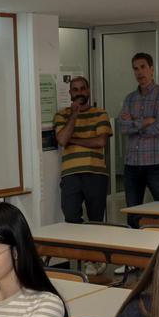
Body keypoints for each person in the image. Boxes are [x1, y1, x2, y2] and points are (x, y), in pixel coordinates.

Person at [117, 52, 159, 226]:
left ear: (152, 69)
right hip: (132, 166)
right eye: (135, 68)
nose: (139, 72)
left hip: (157, 165)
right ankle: (134, 249)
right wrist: (145, 122)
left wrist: (133, 124)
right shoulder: (130, 98)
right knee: (133, 214)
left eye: (142, 67)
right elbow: (122, 127)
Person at [54, 76, 113, 226]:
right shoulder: (61, 115)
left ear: (88, 91)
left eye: (82, 89)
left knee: (96, 221)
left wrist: (73, 140)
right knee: (71, 217)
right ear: (70, 93)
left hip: (96, 173)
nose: (79, 92)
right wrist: (74, 115)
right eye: (75, 89)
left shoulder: (100, 114)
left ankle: (95, 248)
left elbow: (101, 141)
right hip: (70, 174)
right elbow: (62, 140)